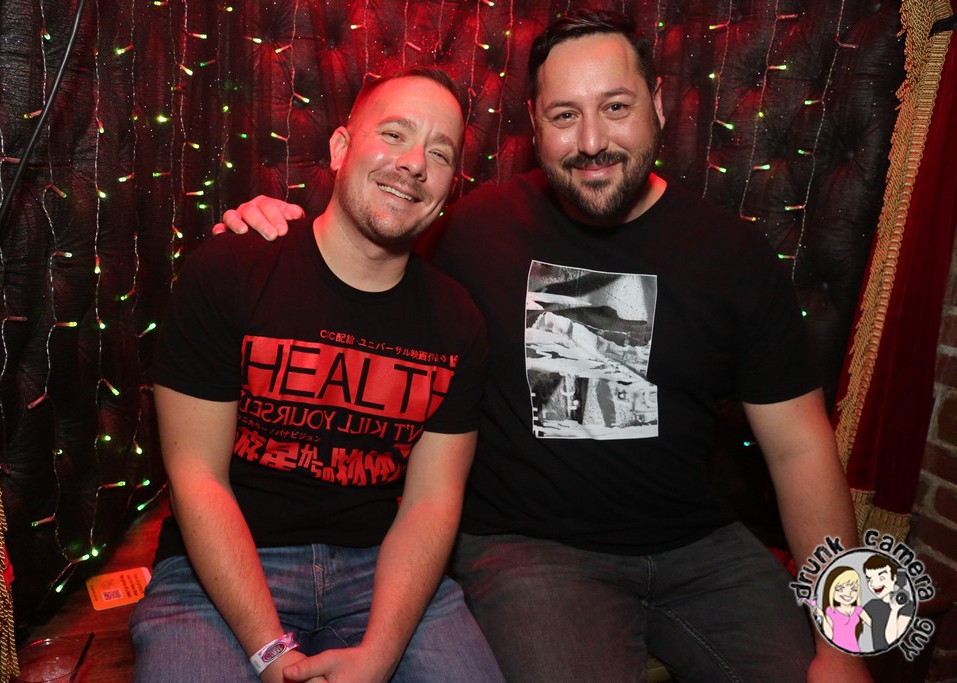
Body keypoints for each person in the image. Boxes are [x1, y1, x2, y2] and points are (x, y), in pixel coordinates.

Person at [217, 11, 869, 682]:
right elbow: (365, 261)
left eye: (615, 107)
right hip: (531, 552)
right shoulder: (473, 230)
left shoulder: (734, 256)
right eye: (564, 116)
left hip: (703, 548)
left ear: (657, 105)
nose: (592, 141)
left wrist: (845, 641)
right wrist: (271, 230)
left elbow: (800, 447)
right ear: (535, 126)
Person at [130, 66, 504, 683]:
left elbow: (432, 501)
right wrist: (269, 651)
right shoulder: (231, 270)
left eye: (440, 153)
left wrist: (380, 654)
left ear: (448, 188)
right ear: (340, 148)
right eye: (394, 134)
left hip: (381, 569)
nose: (414, 163)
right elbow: (198, 476)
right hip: (225, 561)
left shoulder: (457, 321)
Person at [862, 554, 916, 650]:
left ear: (894, 578)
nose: (874, 584)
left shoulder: (907, 606)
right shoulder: (872, 605)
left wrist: (894, 610)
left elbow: (891, 641)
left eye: (881, 578)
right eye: (869, 579)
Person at [818, 566, 871, 652]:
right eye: (840, 589)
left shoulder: (858, 610)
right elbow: (829, 635)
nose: (848, 593)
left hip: (854, 649)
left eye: (854, 589)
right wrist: (822, 616)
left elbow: (874, 625)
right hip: (835, 650)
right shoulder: (831, 611)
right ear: (831, 590)